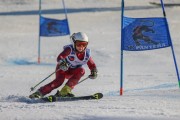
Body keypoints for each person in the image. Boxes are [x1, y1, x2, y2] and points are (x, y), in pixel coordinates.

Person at [29, 32, 98, 98]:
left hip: (73, 72)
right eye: (79, 44)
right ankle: (39, 93)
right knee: (58, 82)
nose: (81, 47)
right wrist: (62, 63)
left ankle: (65, 91)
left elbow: (91, 64)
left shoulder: (86, 54)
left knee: (81, 70)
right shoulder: (70, 49)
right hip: (62, 69)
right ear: (73, 43)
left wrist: (93, 71)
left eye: (84, 44)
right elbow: (60, 57)